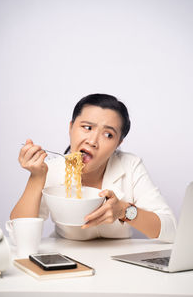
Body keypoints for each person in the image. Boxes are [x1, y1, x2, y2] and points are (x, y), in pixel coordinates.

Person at [10, 93, 176, 242]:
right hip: (67, 259)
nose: (92, 141)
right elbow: (18, 238)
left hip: (119, 264)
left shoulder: (130, 165)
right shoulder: (50, 169)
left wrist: (124, 211)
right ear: (71, 127)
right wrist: (36, 178)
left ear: (118, 143)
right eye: (87, 127)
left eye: (108, 134)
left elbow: (171, 231)